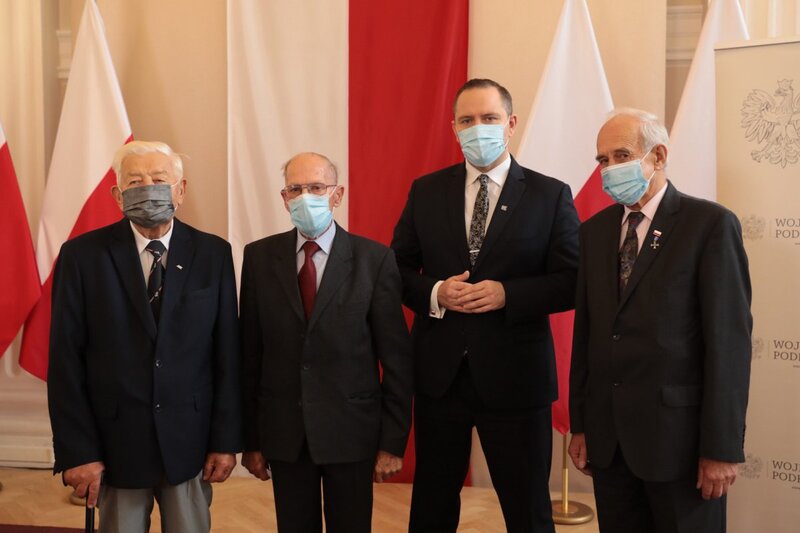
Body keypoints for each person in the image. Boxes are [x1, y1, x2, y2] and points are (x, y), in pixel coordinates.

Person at [391, 78, 580, 532]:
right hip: (440, 377)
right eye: (468, 120)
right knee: (432, 504)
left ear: (510, 124)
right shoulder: (426, 190)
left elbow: (572, 280)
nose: (479, 128)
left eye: (490, 119)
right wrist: (435, 293)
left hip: (518, 379)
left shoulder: (550, 194)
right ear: (453, 128)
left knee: (528, 507)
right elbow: (393, 271)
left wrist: (508, 294)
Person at [568, 108, 752, 533]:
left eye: (621, 155)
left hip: (681, 447)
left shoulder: (709, 226)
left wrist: (721, 448)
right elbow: (589, 335)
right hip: (610, 444)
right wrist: (581, 425)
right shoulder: (593, 232)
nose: (610, 168)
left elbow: (728, 345)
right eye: (602, 160)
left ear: (659, 155)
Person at [47, 140, 242, 533]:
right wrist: (78, 452)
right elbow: (65, 361)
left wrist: (225, 440)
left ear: (181, 190)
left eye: (159, 179)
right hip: (115, 446)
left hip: (190, 444)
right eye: (135, 181)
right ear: (118, 195)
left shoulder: (214, 254)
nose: (148, 188)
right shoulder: (81, 256)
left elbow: (227, 355)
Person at [240, 152, 413, 533]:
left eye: (316, 187)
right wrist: (251, 440)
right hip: (286, 434)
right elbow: (250, 355)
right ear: (284, 198)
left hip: (352, 432)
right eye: (295, 188)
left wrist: (393, 441)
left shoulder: (375, 259)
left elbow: (397, 359)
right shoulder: (258, 258)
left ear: (337, 195)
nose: (306, 196)